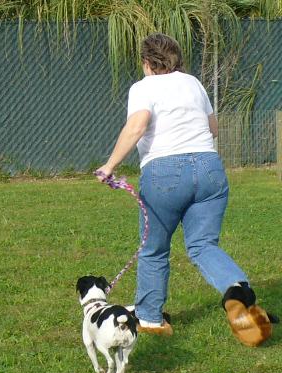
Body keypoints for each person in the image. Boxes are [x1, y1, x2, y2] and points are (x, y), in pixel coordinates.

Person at [96, 33, 275, 347]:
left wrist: (109, 166)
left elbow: (137, 125)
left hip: (164, 172)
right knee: (204, 245)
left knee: (154, 249)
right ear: (177, 60)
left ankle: (150, 317)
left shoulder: (143, 87)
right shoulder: (193, 83)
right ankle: (237, 295)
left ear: (147, 63)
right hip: (209, 169)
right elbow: (212, 129)